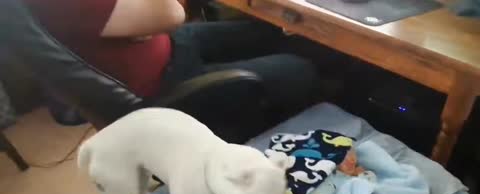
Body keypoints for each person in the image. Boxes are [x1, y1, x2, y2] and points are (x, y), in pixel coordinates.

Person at [23, 0, 319, 128]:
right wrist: (155, 17)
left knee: (269, 30)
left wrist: (150, 20)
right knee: (300, 70)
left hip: (168, 44)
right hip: (164, 86)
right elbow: (173, 13)